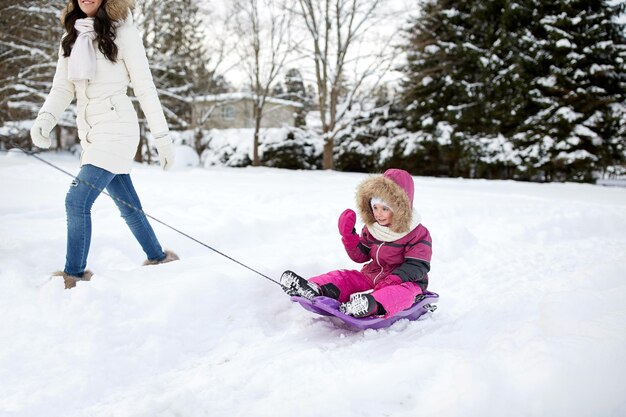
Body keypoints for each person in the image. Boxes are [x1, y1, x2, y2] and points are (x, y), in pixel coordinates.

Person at [30, 0, 178, 289]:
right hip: (92, 132)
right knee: (128, 205)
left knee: (76, 201)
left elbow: (145, 88)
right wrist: (45, 118)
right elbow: (62, 87)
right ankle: (158, 258)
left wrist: (162, 137)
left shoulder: (124, 33)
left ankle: (73, 275)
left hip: (118, 128)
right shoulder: (71, 36)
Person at [280, 169, 432, 318]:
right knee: (346, 277)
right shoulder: (373, 228)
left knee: (400, 293)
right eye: (375, 207)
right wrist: (349, 237)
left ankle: (370, 305)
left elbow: (418, 265)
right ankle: (313, 288)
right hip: (373, 275)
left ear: (400, 209)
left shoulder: (417, 233)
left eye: (385, 209)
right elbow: (361, 256)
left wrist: (394, 279)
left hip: (406, 281)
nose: (378, 214)